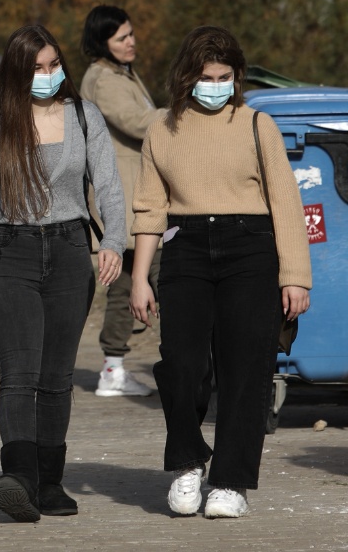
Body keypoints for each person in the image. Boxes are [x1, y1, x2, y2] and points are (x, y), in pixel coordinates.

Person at [0, 24, 124, 523]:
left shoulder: (84, 116)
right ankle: (18, 479)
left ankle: (50, 482)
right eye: (36, 68)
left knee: (57, 378)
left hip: (70, 252)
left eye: (53, 65)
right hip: (9, 254)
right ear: (17, 72)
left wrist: (112, 241)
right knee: (20, 374)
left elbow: (108, 185)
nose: (47, 75)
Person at [129, 26, 311, 519]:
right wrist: (140, 278)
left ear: (237, 76)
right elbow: (149, 209)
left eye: (224, 77)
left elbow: (286, 203)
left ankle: (231, 481)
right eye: (206, 77)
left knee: (246, 369)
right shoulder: (162, 129)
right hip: (184, 248)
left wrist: (295, 275)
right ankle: (187, 462)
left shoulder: (258, 125)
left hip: (251, 249)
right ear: (187, 77)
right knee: (181, 365)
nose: (215, 86)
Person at [79, 5, 162, 398]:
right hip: (126, 196)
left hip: (131, 192)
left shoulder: (120, 72)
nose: (131, 42)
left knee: (127, 280)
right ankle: (118, 368)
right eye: (120, 38)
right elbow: (138, 122)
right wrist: (189, 115)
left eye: (130, 33)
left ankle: (114, 367)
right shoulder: (104, 79)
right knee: (152, 276)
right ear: (102, 43)